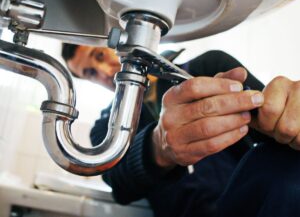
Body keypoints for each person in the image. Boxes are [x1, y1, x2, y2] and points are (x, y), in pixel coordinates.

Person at [62, 44, 300, 217]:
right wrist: (158, 146)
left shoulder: (207, 68)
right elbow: (121, 186)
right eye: (90, 73)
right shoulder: (106, 127)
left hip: (255, 202)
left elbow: (276, 125)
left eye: (100, 55)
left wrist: (288, 111)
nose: (103, 71)